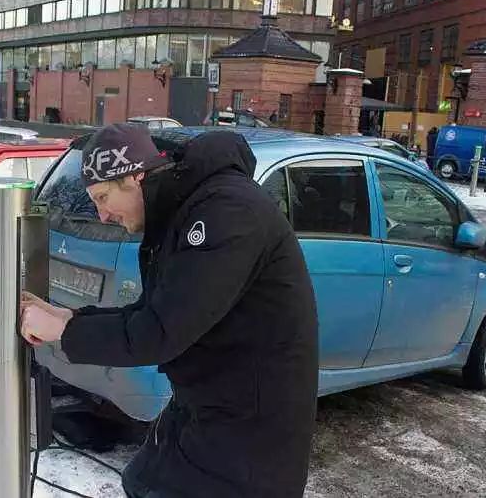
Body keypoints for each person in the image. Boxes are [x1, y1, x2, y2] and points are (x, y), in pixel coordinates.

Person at [21, 123, 319, 497]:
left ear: (134, 178)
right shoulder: (183, 212)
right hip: (207, 411)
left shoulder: (227, 213)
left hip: (249, 437)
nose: (101, 215)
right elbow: (151, 310)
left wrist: (65, 333)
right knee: (140, 483)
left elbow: (160, 331)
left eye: (101, 197)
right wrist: (71, 319)